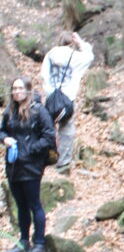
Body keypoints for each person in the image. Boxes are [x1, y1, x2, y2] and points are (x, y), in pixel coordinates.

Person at [0, 76, 55, 252]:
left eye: (19, 88)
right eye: (14, 88)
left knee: (34, 204)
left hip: (31, 166)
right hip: (13, 165)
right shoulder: (10, 111)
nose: (16, 92)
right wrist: (5, 139)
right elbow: (2, 130)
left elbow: (49, 136)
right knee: (21, 205)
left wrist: (29, 150)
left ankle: (39, 245)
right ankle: (24, 242)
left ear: (28, 90)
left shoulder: (39, 110)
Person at [40, 31, 94, 173]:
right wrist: (80, 42)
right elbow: (89, 57)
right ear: (71, 42)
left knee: (48, 127)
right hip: (67, 99)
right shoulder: (75, 56)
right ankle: (63, 161)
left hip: (51, 98)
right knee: (67, 129)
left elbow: (44, 75)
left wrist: (49, 91)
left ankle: (47, 158)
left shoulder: (50, 55)